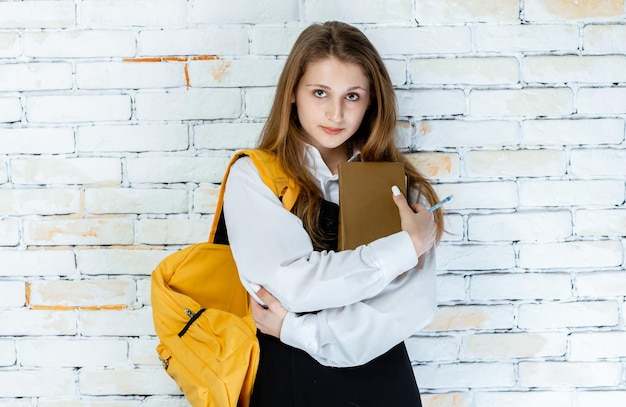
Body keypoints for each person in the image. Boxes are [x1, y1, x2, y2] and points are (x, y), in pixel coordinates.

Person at [223, 21, 445, 407]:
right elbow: (290, 284)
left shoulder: (398, 185)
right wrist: (405, 246)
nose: (336, 113)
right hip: (289, 383)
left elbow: (406, 308)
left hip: (384, 387)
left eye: (353, 96)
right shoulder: (255, 175)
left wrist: (296, 328)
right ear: (293, 93)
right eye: (320, 92)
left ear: (372, 101)